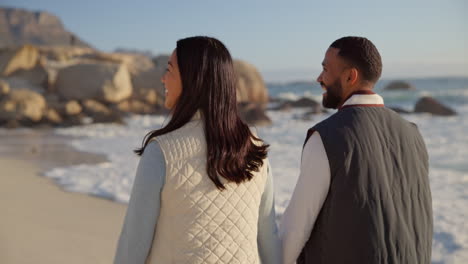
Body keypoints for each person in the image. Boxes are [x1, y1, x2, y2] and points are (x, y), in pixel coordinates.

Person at [113, 36, 280, 264]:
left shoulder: (162, 151)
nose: (163, 79)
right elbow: (269, 235)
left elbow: (134, 242)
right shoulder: (255, 146)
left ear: (193, 79)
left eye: (170, 70)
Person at [280, 36, 433, 264]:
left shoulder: (327, 136)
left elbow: (294, 230)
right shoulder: (413, 134)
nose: (319, 78)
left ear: (350, 76)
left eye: (325, 69)